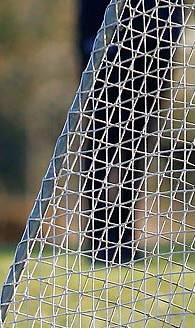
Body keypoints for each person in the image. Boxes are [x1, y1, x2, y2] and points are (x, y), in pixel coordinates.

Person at [77, 0, 183, 263]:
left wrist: (161, 51)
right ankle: (97, 238)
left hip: (149, 67)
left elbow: (172, 17)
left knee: (133, 154)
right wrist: (93, 48)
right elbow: (87, 19)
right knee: (99, 152)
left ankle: (125, 239)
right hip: (106, 66)